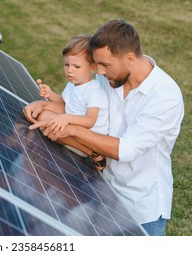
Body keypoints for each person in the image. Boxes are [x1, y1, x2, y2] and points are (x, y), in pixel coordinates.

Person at [26, 20, 184, 236]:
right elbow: (76, 106)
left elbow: (125, 150)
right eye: (96, 64)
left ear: (129, 57)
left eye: (105, 65)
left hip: (140, 206)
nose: (98, 72)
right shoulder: (108, 79)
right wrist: (44, 106)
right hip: (101, 188)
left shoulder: (165, 96)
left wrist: (71, 129)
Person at [25, 34, 109, 171]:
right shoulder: (74, 84)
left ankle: (94, 154)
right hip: (73, 129)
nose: (70, 70)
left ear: (92, 67)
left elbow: (90, 121)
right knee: (43, 114)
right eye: (66, 64)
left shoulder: (94, 91)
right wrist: (49, 94)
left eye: (76, 66)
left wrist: (65, 118)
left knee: (45, 118)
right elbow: (65, 102)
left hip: (86, 141)